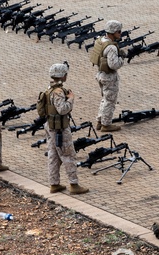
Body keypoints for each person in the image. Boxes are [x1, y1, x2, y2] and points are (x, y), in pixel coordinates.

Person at [39, 63, 88, 195]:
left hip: (50, 126)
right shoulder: (58, 92)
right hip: (59, 129)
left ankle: (54, 184)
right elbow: (62, 109)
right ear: (63, 75)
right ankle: (74, 184)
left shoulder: (49, 89)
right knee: (68, 155)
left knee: (53, 156)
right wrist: (71, 99)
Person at [91, 20, 125, 132]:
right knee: (110, 101)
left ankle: (100, 121)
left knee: (105, 99)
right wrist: (121, 58)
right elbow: (114, 65)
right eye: (118, 31)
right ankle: (106, 124)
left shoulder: (101, 40)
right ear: (112, 32)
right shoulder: (111, 47)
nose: (120, 33)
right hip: (109, 77)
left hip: (101, 74)